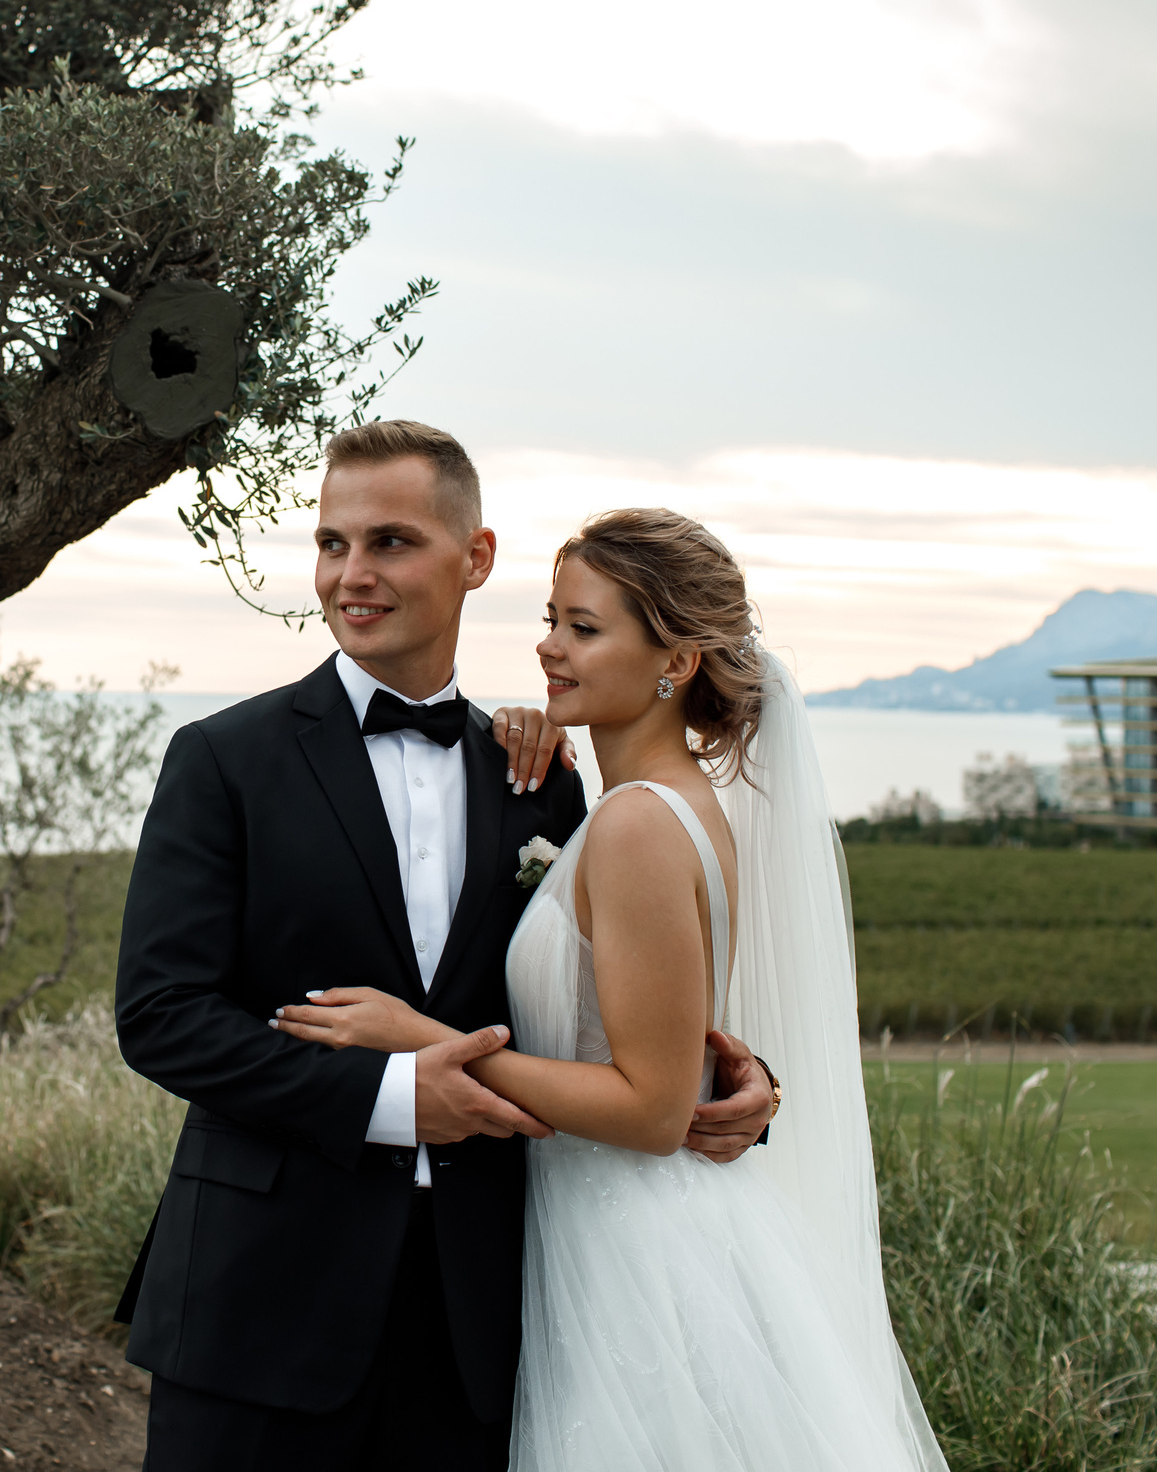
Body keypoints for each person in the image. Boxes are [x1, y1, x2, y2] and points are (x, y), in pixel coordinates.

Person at [113, 427, 779, 1472]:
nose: (351, 575)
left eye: (389, 542)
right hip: (259, 1304)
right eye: (331, 543)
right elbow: (159, 1019)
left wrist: (724, 1073)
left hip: (487, 1315)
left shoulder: (541, 777)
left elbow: (598, 1004)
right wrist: (388, 1094)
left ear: (473, 560)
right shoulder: (222, 761)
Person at [274, 509, 949, 1472]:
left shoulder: (637, 825)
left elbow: (652, 1104)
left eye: (584, 629)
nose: (549, 647)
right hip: (612, 1226)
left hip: (637, 1255)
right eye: (552, 619)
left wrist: (422, 1036)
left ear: (674, 659)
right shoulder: (651, 805)